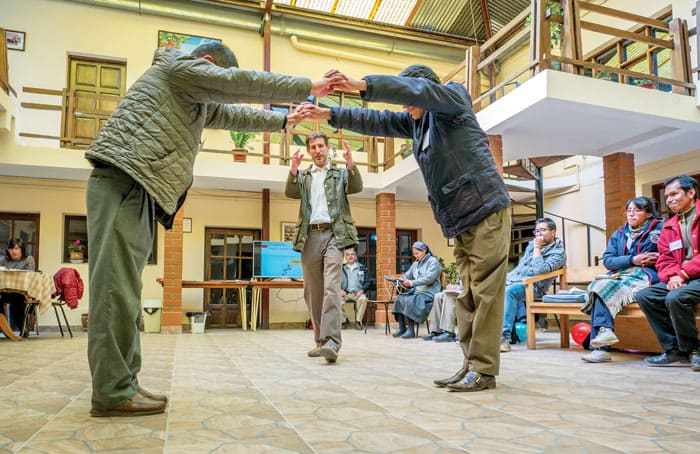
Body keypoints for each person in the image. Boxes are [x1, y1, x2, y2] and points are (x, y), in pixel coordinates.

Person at [83, 42, 342, 417]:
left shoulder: (190, 96)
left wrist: (282, 122)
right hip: (124, 180)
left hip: (135, 186)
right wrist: (308, 85)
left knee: (124, 292)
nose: (216, 83)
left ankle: (123, 384)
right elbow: (239, 83)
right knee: (114, 291)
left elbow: (233, 114)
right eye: (215, 76)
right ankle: (112, 390)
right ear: (208, 65)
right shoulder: (179, 68)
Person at [301, 64, 511, 391]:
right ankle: (471, 364)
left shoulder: (452, 101)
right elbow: (376, 120)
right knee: (467, 295)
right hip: (460, 219)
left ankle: (484, 369)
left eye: (408, 94)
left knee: (484, 292)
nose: (403, 105)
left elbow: (415, 92)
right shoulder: (416, 123)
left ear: (423, 90)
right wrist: (329, 114)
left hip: (486, 210)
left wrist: (361, 85)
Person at [285, 133, 362, 364]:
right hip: (309, 236)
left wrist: (351, 164)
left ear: (328, 149)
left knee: (331, 287)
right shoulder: (305, 176)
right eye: (313, 147)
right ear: (309, 151)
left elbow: (356, 186)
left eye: (321, 146)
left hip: (334, 234)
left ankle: (332, 343)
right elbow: (290, 192)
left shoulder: (339, 174)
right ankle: (320, 341)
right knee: (312, 292)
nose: (317, 150)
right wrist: (293, 169)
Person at [581, 197, 663, 363]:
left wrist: (658, 257)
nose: (631, 214)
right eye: (629, 210)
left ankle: (601, 348)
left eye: (637, 210)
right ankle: (604, 332)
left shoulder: (661, 229)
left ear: (648, 214)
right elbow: (608, 260)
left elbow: (672, 254)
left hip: (646, 274)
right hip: (621, 274)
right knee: (599, 286)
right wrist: (633, 259)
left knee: (605, 288)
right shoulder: (619, 233)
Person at [635, 175, 700, 370]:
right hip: (681, 277)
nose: (669, 199)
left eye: (674, 194)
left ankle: (694, 350)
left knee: (676, 297)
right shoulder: (670, 224)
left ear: (691, 192)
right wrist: (672, 276)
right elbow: (664, 257)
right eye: (667, 196)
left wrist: (683, 275)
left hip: (690, 276)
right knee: (645, 295)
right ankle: (673, 350)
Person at [500, 218, 566, 353]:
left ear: (553, 232)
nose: (539, 234)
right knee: (484, 288)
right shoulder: (531, 245)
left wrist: (537, 248)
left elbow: (539, 271)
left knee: (509, 292)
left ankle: (503, 339)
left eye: (543, 230)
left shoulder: (558, 252)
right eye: (536, 231)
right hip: (515, 280)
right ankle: (477, 336)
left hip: (533, 287)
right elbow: (520, 268)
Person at [391, 241, 441, 339]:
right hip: (417, 292)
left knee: (410, 300)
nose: (415, 256)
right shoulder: (416, 264)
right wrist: (399, 280)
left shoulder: (433, 261)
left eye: (417, 253)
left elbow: (429, 278)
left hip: (429, 293)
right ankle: (402, 327)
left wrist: (412, 283)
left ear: (424, 251)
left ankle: (411, 330)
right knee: (400, 298)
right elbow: (407, 275)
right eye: (414, 254)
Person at [0, 238, 36, 332]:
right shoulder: (3, 260)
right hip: (6, 291)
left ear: (21, 249)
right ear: (8, 250)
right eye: (11, 249)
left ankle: (22, 329)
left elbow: (30, 277)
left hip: (24, 291)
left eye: (16, 248)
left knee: (18, 298)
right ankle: (3, 327)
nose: (13, 251)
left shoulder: (28, 259)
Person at [340, 248, 369, 330]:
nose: (350, 256)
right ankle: (344, 320)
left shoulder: (362, 268)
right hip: (345, 293)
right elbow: (334, 281)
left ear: (356, 257)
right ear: (345, 257)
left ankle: (358, 321)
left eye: (352, 254)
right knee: (333, 301)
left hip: (358, 293)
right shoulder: (341, 268)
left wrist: (362, 290)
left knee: (363, 299)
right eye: (348, 255)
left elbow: (368, 281)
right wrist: (340, 290)